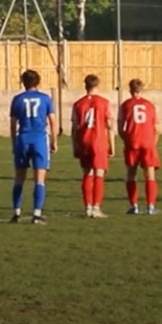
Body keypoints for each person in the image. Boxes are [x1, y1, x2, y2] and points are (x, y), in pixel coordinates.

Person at [9, 69, 57, 224]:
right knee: (39, 179)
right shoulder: (45, 99)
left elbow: (12, 124)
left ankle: (16, 212)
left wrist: (13, 143)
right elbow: (52, 121)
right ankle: (36, 214)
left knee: (19, 178)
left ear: (23, 83)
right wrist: (54, 140)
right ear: (38, 82)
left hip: (22, 138)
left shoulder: (17, 99)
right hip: (39, 139)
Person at [71, 74, 115, 218]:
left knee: (87, 174)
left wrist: (74, 146)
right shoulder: (104, 102)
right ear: (97, 85)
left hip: (84, 141)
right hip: (98, 141)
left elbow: (74, 128)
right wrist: (112, 146)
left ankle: (88, 207)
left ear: (85, 85)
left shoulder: (78, 104)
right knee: (99, 174)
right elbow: (109, 126)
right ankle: (96, 207)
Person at [119, 78, 160, 215]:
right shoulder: (150, 105)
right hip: (148, 142)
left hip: (132, 142)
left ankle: (134, 206)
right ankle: (151, 206)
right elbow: (157, 128)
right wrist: (153, 144)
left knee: (131, 174)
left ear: (130, 90)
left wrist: (126, 139)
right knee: (150, 175)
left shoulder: (125, 105)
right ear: (142, 90)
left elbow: (120, 127)